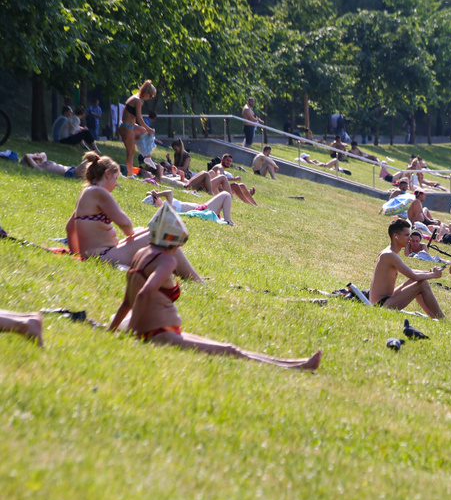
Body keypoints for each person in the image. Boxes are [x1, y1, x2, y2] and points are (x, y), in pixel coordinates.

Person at [109, 204, 321, 370]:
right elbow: (144, 294)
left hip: (159, 330)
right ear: (171, 242)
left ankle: (296, 364)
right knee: (230, 351)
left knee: (231, 349)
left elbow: (128, 300)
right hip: (158, 334)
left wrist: (113, 330)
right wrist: (132, 333)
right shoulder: (166, 261)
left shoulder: (140, 255)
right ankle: (297, 367)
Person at [65, 154, 201, 280]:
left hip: (99, 253)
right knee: (164, 235)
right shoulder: (100, 193)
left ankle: (190, 274)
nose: (116, 184)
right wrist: (132, 234)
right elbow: (125, 224)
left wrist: (79, 254)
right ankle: (196, 279)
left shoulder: (87, 193)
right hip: (105, 255)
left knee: (150, 231)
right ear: (107, 174)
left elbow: (70, 228)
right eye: (116, 178)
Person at [368, 218, 444, 318]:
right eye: (407, 235)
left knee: (419, 281)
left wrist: (427, 272)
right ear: (396, 236)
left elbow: (410, 272)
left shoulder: (389, 253)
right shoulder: (389, 255)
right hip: (381, 305)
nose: (410, 239)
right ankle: (442, 319)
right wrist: (434, 275)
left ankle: (433, 317)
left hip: (385, 300)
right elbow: (414, 276)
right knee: (422, 284)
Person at [118, 81, 156, 178]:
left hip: (130, 126)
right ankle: (130, 175)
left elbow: (133, 117)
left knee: (146, 133)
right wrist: (148, 128)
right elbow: (139, 118)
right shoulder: (138, 100)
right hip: (126, 127)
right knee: (131, 152)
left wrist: (146, 130)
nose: (150, 98)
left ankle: (147, 156)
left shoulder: (138, 99)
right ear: (147, 93)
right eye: (151, 96)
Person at [144, 189, 235, 226]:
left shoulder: (164, 205)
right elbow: (169, 192)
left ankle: (229, 221)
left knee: (224, 196)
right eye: (156, 198)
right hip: (202, 210)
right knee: (226, 194)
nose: (158, 197)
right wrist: (157, 194)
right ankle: (228, 221)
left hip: (202, 209)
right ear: (155, 202)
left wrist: (152, 194)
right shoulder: (165, 206)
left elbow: (148, 194)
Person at [22, 151, 93, 179]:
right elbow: (27, 156)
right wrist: (36, 156)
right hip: (71, 173)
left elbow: (44, 154)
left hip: (72, 169)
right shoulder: (39, 167)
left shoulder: (43, 163)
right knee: (92, 159)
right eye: (34, 159)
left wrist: (39, 156)